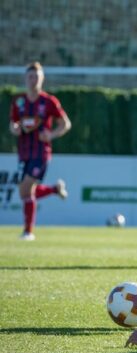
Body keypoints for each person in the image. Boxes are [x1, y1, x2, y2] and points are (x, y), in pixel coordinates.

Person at [8, 62, 71, 241]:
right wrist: (15, 129)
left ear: (42, 79)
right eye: (30, 77)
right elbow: (12, 125)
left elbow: (65, 124)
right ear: (25, 79)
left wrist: (51, 134)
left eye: (36, 77)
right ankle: (54, 190)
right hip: (23, 151)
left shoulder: (49, 101)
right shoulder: (18, 102)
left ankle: (28, 232)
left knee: (26, 188)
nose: (33, 80)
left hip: (41, 152)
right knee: (24, 192)